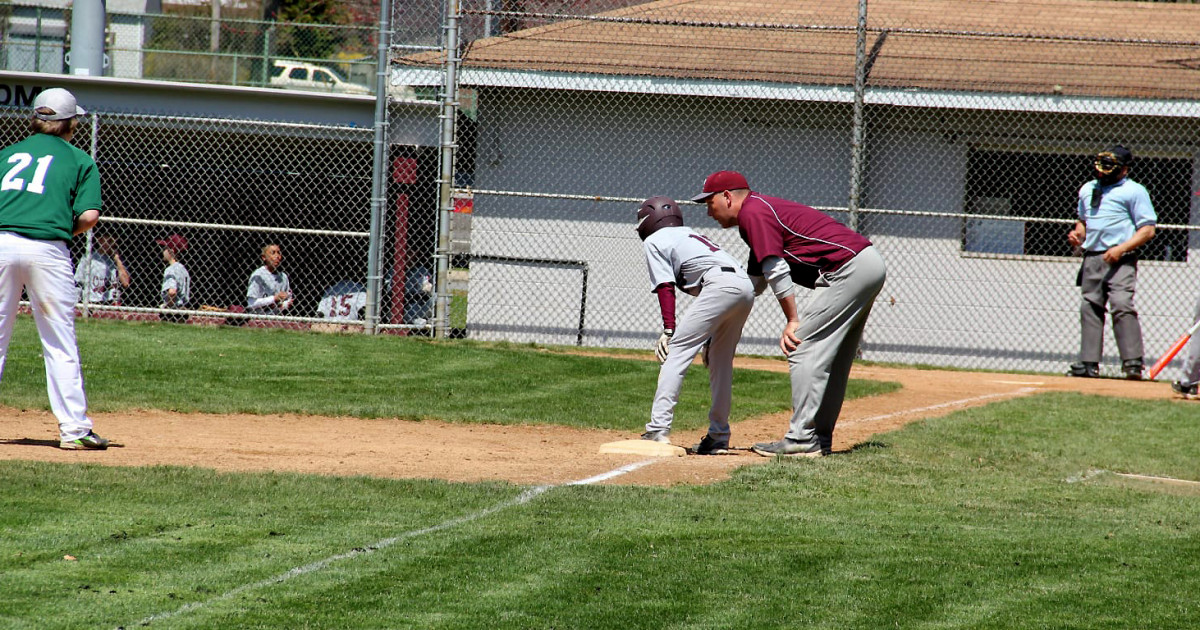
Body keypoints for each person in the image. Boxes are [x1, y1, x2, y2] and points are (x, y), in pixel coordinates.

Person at [695, 170, 886, 457]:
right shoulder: (758, 214)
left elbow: (776, 269)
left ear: (727, 197)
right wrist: (718, 330)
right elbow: (752, 286)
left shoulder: (753, 214)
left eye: (709, 203)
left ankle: (801, 440)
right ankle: (818, 439)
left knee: (801, 345)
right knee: (834, 358)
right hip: (866, 265)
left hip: (849, 270)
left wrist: (792, 320)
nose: (708, 212)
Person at [0, 87, 108, 449]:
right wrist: (63, 229)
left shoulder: (7, 154)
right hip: (48, 250)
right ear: (69, 123)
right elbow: (89, 216)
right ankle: (74, 431)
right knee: (59, 342)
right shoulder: (80, 160)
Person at [635, 196, 755, 454]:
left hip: (718, 285)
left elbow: (665, 286)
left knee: (676, 352)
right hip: (744, 287)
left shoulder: (656, 240)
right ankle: (718, 436)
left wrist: (669, 329)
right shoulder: (689, 234)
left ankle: (658, 428)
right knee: (720, 361)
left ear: (650, 220)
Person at [1066, 146, 1156, 380]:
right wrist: (1078, 234)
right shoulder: (1088, 188)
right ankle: (1088, 363)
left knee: (1121, 304)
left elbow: (1147, 230)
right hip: (1093, 257)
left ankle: (1133, 363)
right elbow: (1083, 222)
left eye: (1111, 169)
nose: (1104, 174)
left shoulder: (1134, 191)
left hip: (1121, 258)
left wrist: (1121, 248)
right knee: (1090, 306)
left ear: (1124, 170)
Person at [75, 233, 130, 305]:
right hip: (93, 300)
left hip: (112, 301)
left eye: (114, 239)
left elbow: (125, 283)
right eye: (109, 240)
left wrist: (117, 260)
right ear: (99, 239)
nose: (112, 242)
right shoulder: (89, 258)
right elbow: (78, 282)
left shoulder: (118, 260)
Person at [247, 243, 292, 315]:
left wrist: (285, 304)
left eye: (279, 253)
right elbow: (251, 303)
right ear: (264, 257)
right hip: (258, 317)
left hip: (276, 317)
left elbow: (287, 299)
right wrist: (274, 299)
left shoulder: (283, 277)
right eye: (273, 253)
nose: (277, 256)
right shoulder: (258, 275)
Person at [157, 233, 191, 322]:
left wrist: (167, 306)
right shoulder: (183, 269)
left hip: (172, 313)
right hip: (182, 310)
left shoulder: (170, 270)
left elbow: (172, 292)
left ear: (171, 250)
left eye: (165, 248)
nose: (163, 251)